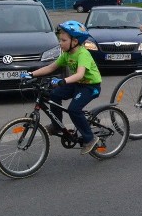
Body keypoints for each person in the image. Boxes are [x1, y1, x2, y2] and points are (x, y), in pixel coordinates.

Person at [27, 21, 102, 153]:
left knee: (73, 109)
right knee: (54, 94)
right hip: (77, 84)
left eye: (63, 40)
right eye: (59, 40)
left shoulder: (83, 54)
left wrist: (63, 81)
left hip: (91, 86)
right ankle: (57, 126)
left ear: (75, 41)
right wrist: (31, 74)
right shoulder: (67, 54)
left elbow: (79, 75)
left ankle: (90, 139)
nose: (60, 43)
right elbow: (51, 67)